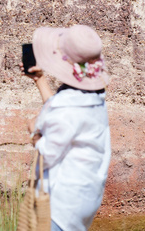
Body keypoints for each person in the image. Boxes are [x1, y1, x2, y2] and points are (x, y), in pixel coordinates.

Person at [21, 25, 111, 231]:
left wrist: (35, 132)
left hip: (58, 207)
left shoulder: (68, 107)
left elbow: (48, 152)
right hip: (83, 200)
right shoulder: (94, 98)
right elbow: (63, 115)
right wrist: (40, 80)